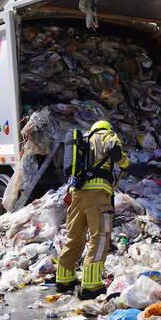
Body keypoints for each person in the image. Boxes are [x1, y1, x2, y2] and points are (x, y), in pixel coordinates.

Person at [56, 120, 130, 299]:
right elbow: (115, 151)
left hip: (76, 195)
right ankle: (91, 285)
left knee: (74, 237)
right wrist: (126, 163)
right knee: (100, 238)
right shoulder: (106, 135)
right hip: (97, 196)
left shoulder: (83, 140)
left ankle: (64, 280)